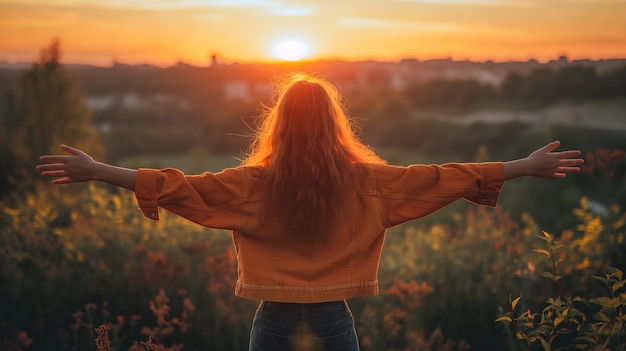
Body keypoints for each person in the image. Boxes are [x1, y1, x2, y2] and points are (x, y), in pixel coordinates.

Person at [37, 73, 583, 351]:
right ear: (334, 123)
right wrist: (521, 166)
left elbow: (176, 186)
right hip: (333, 318)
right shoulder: (368, 182)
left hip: (272, 318)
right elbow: (444, 177)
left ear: (279, 123)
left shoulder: (253, 184)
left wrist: (99, 170)